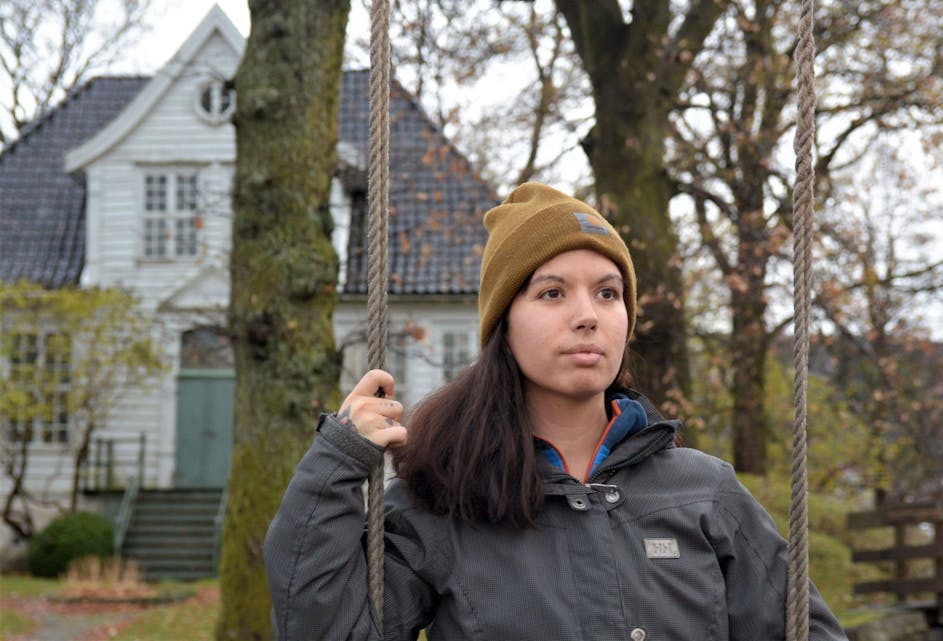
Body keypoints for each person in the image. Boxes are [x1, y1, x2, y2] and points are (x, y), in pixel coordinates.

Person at [263, 182, 847, 641]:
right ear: (504, 323)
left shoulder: (704, 493)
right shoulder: (442, 500)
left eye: (607, 292)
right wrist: (339, 458)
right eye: (551, 292)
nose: (587, 315)